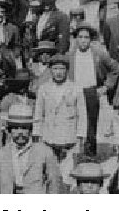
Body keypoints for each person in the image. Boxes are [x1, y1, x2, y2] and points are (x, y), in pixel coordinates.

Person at [33, 53, 87, 188]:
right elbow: (38, 114)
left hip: (69, 139)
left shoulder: (75, 88)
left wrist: (81, 137)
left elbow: (82, 114)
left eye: (62, 69)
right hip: (49, 138)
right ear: (50, 70)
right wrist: (37, 135)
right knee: (50, 174)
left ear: (67, 70)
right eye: (55, 68)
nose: (58, 72)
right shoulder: (44, 89)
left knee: (67, 176)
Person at [68, 23, 119, 156]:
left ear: (91, 39)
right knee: (74, 121)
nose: (83, 40)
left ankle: (90, 155)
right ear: (76, 39)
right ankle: (75, 153)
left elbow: (115, 69)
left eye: (86, 37)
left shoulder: (98, 54)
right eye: (80, 37)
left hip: (91, 92)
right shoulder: (70, 55)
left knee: (91, 124)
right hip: (75, 91)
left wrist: (105, 87)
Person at [0, 103, 63, 194]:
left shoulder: (44, 152)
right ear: (9, 130)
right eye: (15, 128)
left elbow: (55, 184)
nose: (20, 132)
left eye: (24, 128)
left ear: (30, 130)